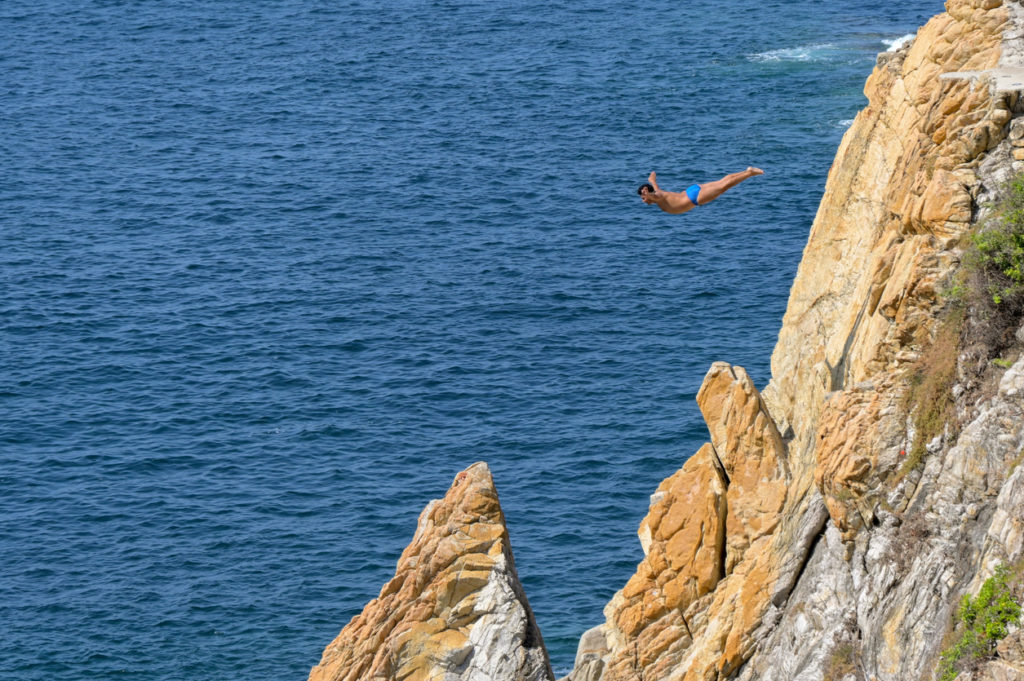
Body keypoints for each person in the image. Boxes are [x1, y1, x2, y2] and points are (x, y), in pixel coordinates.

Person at [638, 167, 763, 214]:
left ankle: (749, 173)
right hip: (691, 191)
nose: (644, 201)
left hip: (694, 197)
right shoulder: (658, 195)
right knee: (723, 183)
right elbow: (656, 189)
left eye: (643, 197)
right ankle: (747, 171)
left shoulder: (657, 197)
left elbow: (655, 194)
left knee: (724, 186)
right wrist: (652, 180)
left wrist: (648, 192)